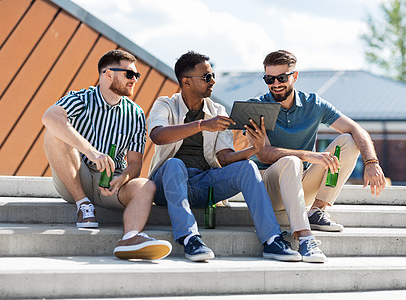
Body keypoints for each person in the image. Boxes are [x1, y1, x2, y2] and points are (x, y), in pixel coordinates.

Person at [147, 51, 301, 262]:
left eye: (213, 75)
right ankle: (190, 238)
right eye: (207, 77)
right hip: (166, 185)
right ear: (186, 82)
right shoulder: (165, 104)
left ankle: (272, 239)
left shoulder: (217, 110)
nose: (213, 81)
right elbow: (157, 135)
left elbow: (225, 159)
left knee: (247, 167)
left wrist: (254, 149)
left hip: (202, 184)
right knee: (175, 164)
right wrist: (202, 125)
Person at [247, 50, 386, 263]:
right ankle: (304, 239)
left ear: (294, 76)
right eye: (269, 79)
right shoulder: (257, 106)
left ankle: (317, 210)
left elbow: (356, 129)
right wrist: (309, 156)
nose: (275, 84)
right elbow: (264, 153)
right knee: (292, 161)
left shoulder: (313, 103)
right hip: (269, 188)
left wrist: (372, 163)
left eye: (281, 78)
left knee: (348, 141)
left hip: (300, 184)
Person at [42, 49, 172, 261]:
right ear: (108, 74)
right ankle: (83, 205)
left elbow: (135, 164)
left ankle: (130, 238)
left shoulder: (136, 114)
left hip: (111, 184)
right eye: (129, 74)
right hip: (76, 176)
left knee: (146, 185)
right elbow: (50, 116)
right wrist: (92, 153)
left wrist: (123, 178)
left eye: (136, 75)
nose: (134, 80)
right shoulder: (81, 98)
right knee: (53, 133)